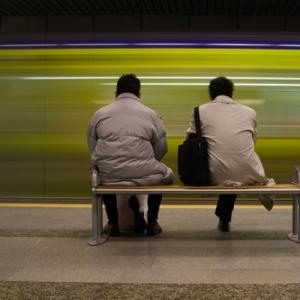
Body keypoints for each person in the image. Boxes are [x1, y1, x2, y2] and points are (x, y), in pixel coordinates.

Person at [87, 74, 174, 236]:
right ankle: (152, 222)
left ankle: (113, 223)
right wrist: (145, 162)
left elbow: (92, 148)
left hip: (109, 174)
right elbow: (161, 149)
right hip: (144, 173)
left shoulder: (99, 114)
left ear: (116, 93)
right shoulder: (151, 114)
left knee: (102, 175)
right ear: (139, 94)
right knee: (165, 175)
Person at [187, 76, 274, 232]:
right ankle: (224, 218)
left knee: (226, 170)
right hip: (247, 172)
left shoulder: (199, 111)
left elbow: (190, 140)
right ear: (231, 93)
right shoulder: (250, 112)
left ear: (210, 94)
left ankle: (224, 218)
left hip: (210, 173)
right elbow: (252, 141)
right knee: (233, 171)